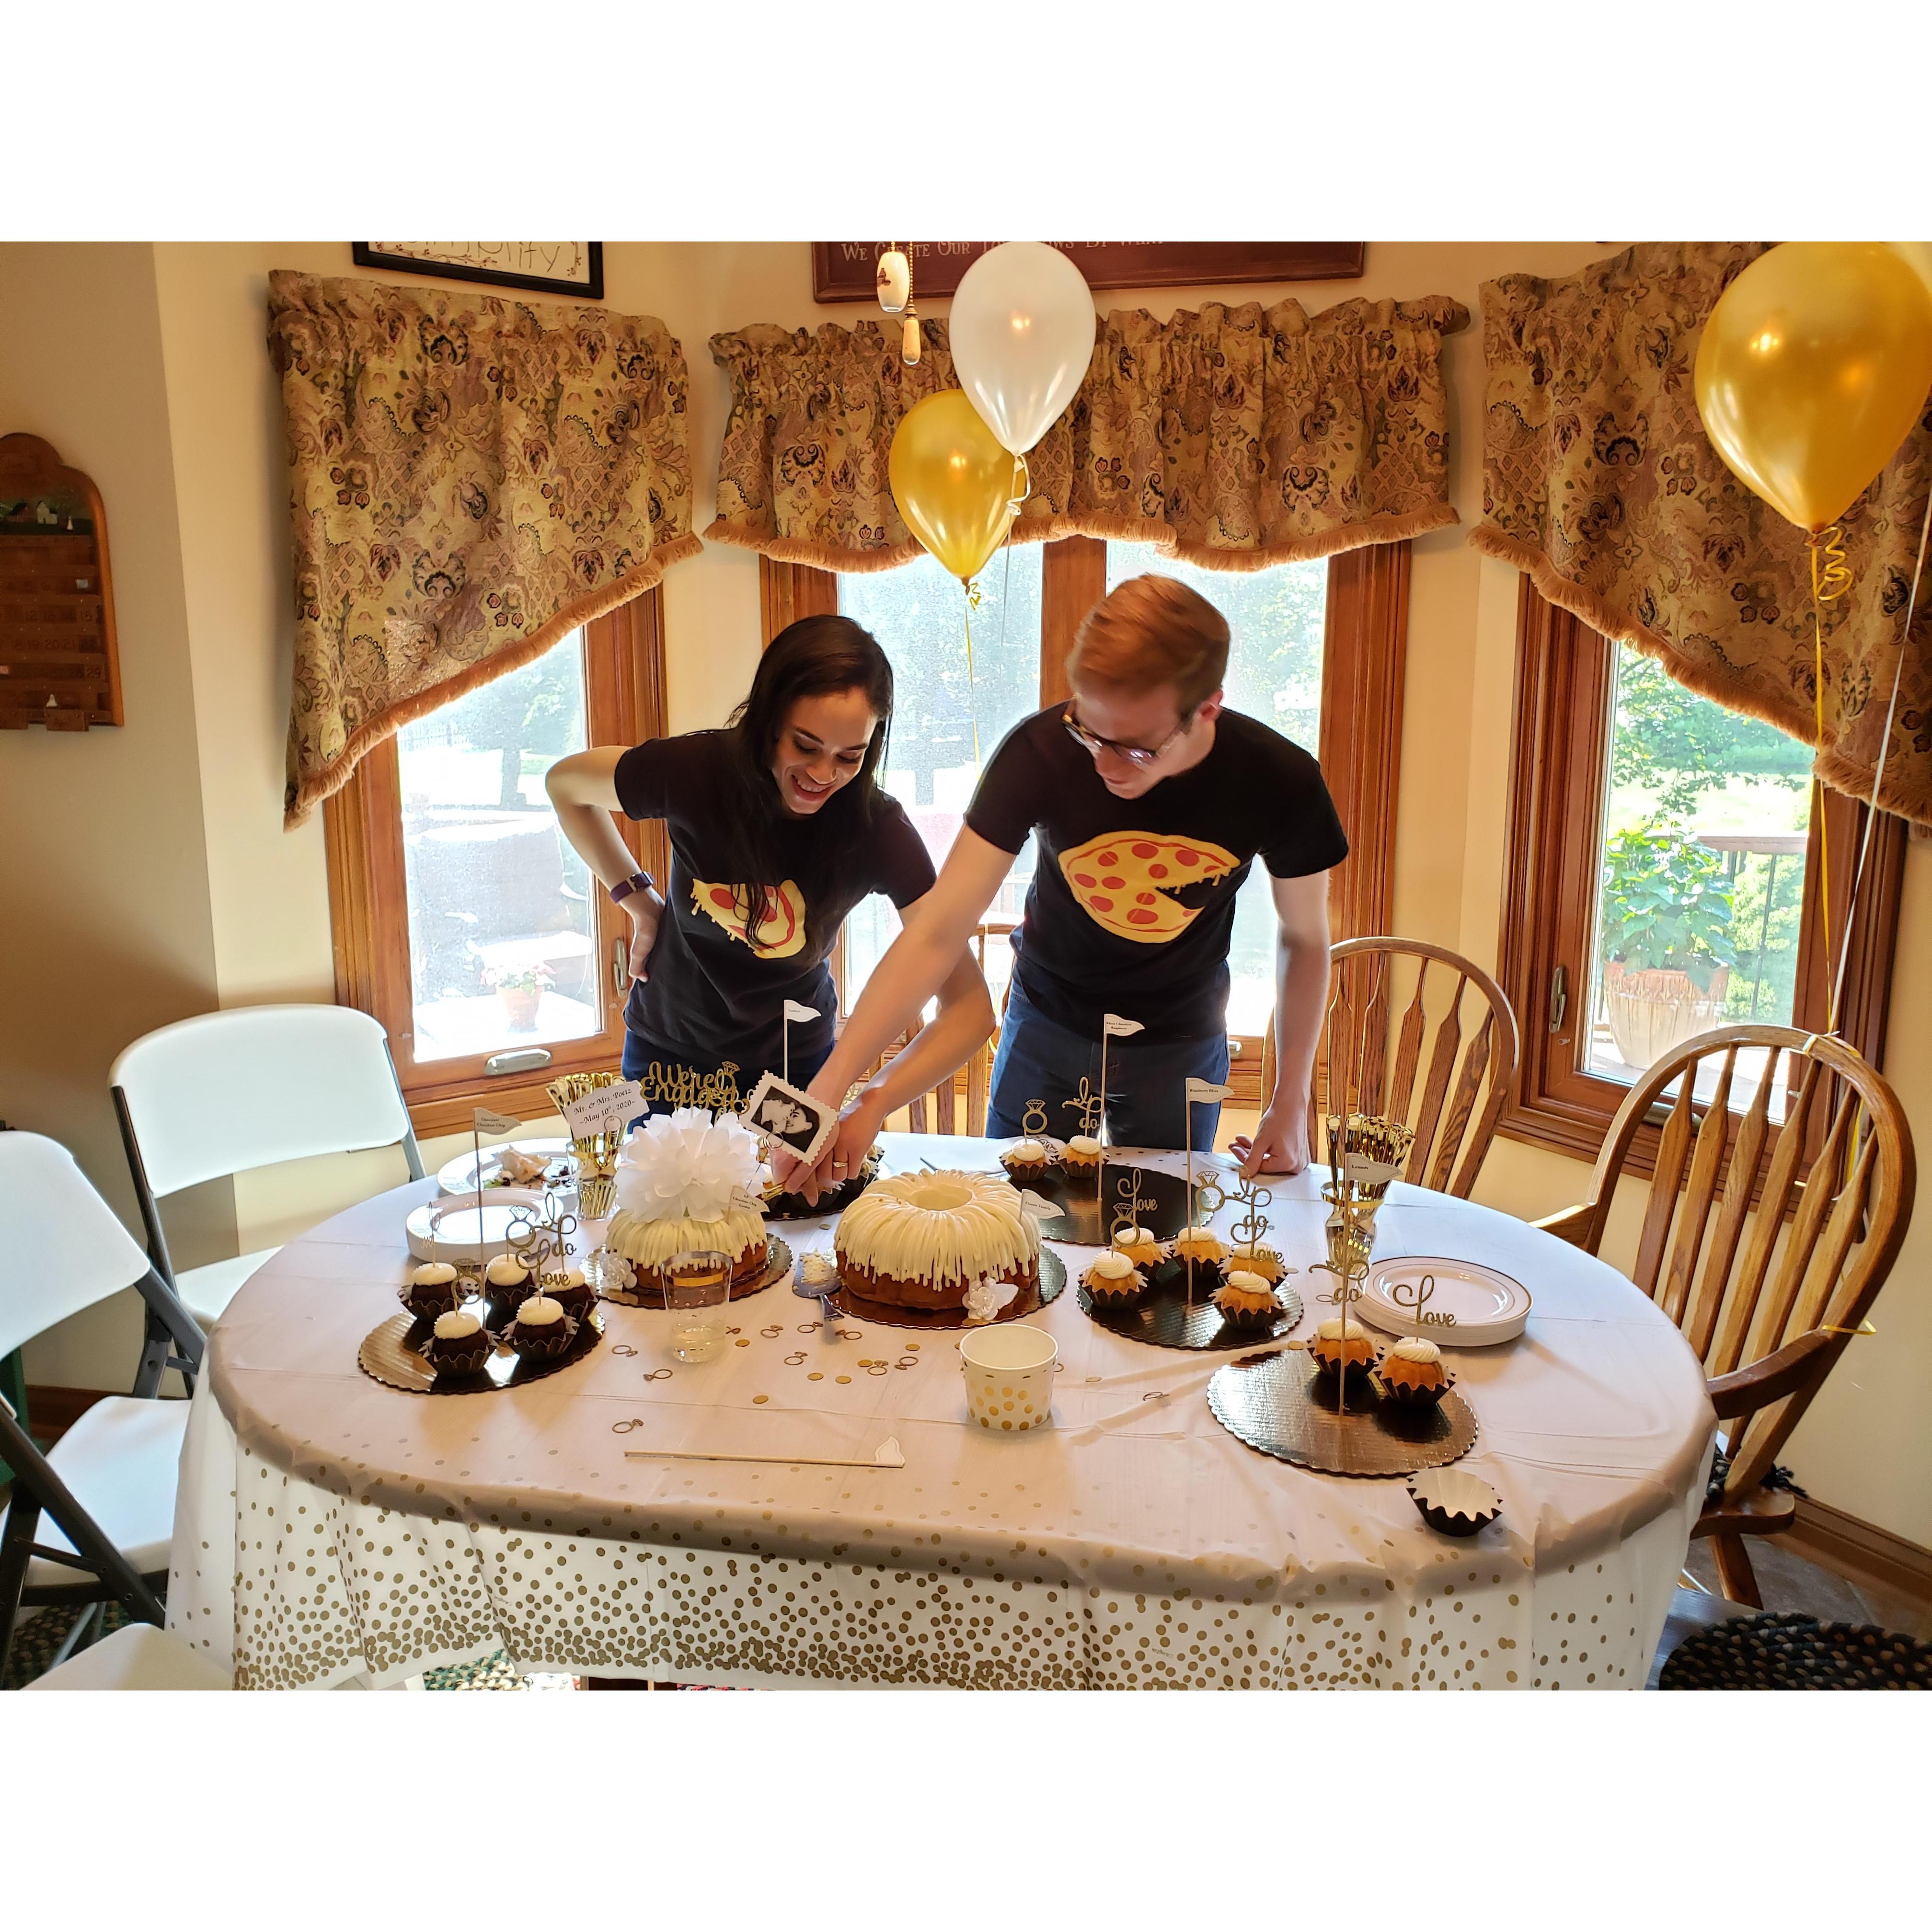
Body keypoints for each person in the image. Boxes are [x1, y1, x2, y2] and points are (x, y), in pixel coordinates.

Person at [778, 574, 1345, 1193]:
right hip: (1047, 1021)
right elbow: (938, 931)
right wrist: (832, 1094)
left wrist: (1289, 1101)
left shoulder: (1280, 779)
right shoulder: (1039, 751)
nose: (1101, 764)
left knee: (1155, 1248)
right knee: (1012, 1233)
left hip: (1180, 1038)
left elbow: (1304, 939)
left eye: (1132, 749)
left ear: (1206, 708)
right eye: (1088, 729)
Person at [544, 615, 992, 1159]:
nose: (824, 774)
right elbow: (566, 785)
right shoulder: (696, 772)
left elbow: (971, 1007)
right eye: (806, 746)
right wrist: (638, 899)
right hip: (667, 1055)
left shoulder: (877, 828)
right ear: (769, 718)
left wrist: (870, 1100)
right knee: (665, 1221)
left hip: (793, 1068)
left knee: (786, 1230)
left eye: (850, 756)